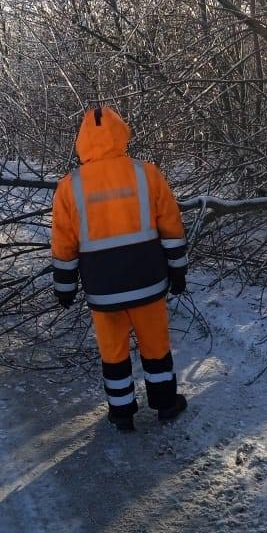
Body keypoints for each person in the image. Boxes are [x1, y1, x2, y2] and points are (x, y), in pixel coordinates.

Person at [51, 106, 188, 431]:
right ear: (121, 132)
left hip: (103, 289)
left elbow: (64, 242)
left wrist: (65, 286)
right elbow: (171, 225)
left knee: (113, 351)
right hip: (148, 282)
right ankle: (166, 404)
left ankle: (122, 412)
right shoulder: (146, 173)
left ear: (82, 141)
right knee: (156, 346)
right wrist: (178, 269)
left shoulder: (70, 186)